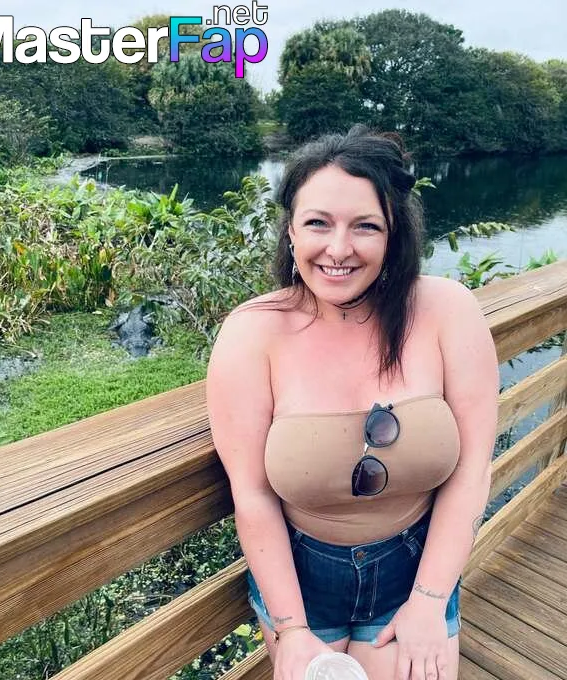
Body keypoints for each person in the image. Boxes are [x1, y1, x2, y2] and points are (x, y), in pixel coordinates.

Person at [206, 125, 499, 680]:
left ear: (393, 234)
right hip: (300, 578)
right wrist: (291, 628)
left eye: (365, 226)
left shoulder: (446, 311)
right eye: (318, 223)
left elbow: (472, 470)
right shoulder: (253, 333)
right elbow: (253, 495)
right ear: (291, 231)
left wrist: (430, 601)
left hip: (416, 568)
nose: (338, 249)